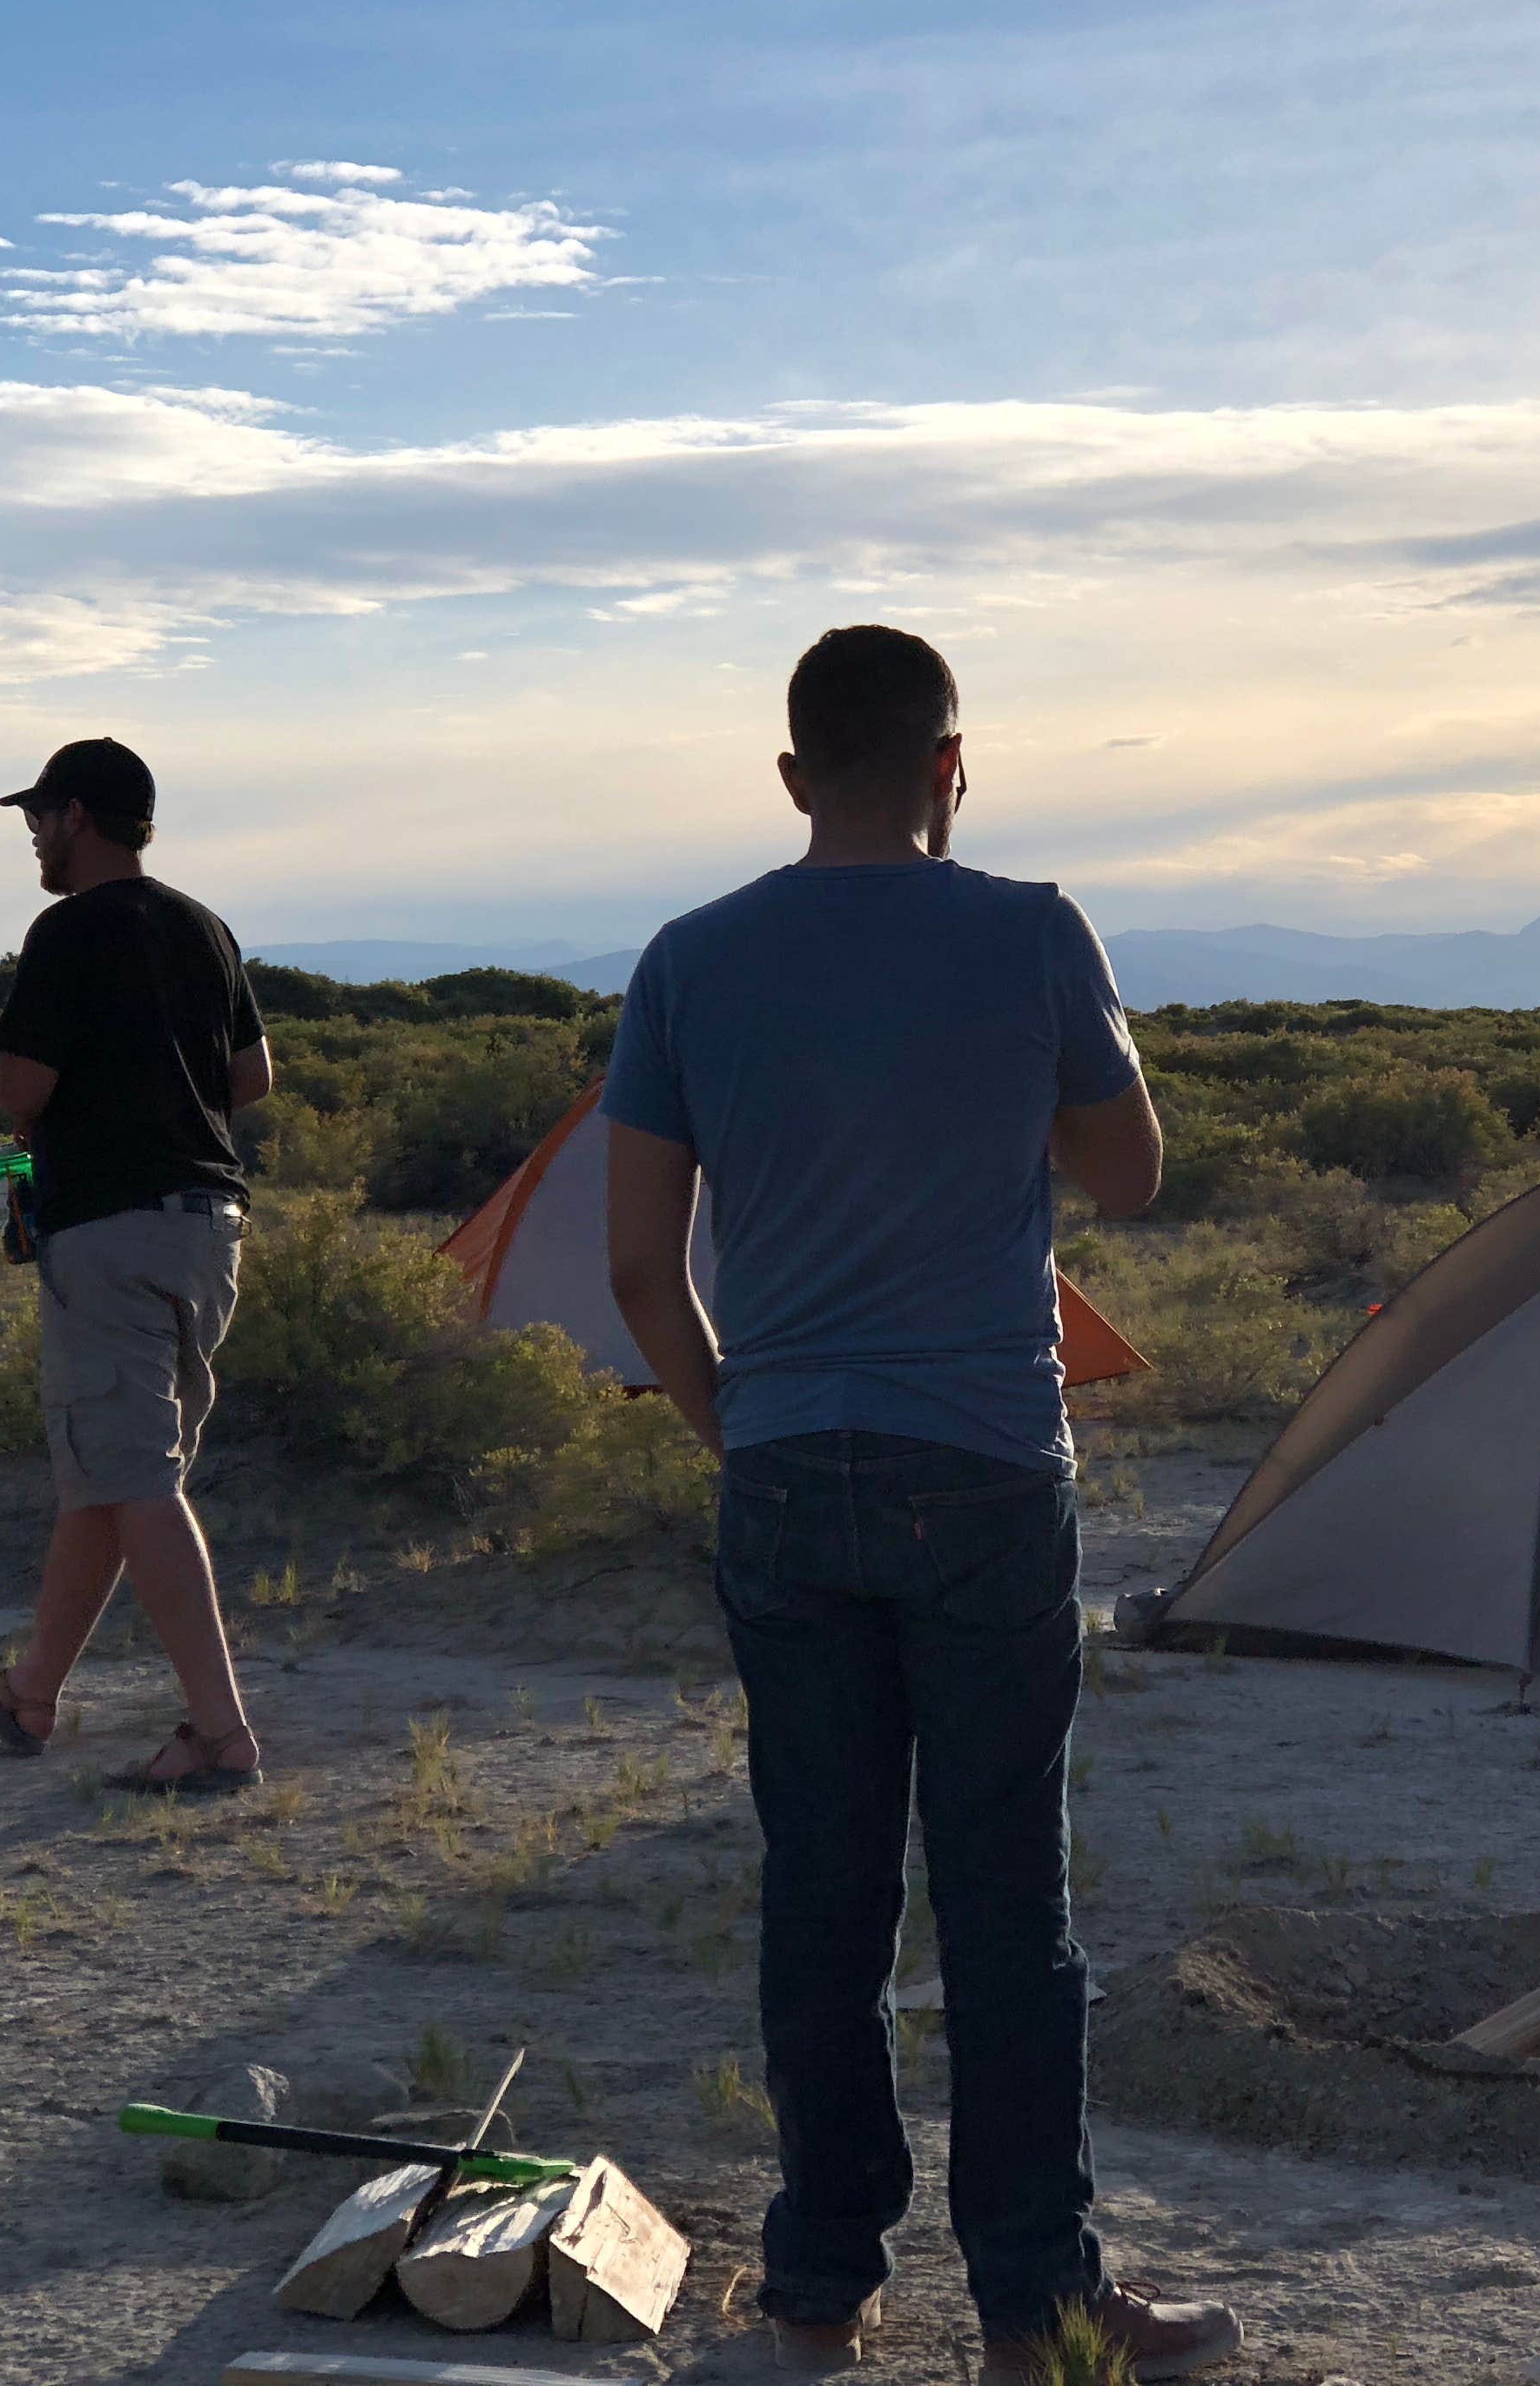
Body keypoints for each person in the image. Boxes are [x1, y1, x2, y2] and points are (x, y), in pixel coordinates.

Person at [605, 628, 1239, 2383]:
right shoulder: (1032, 931)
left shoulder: (686, 960)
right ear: (952, 768)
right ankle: (1035, 2311)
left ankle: (819, 2288)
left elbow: (641, 1268)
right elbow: (1129, 1173)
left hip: (788, 1468)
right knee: (1006, 1902)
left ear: (791, 774)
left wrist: (740, 1430)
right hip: (985, 1471)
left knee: (821, 1893)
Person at [0, 738, 273, 1795]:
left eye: (40, 815)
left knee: (133, 1478)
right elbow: (251, 1076)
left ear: (77, 816)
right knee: (111, 1476)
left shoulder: (68, 929)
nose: (33, 834)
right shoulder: (203, 926)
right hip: (207, 1227)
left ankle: (220, 1735)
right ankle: (29, 1691)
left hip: (110, 1234)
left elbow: (19, 1089)